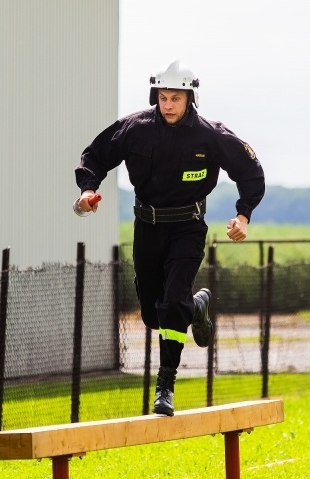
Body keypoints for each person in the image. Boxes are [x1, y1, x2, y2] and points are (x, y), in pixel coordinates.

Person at [74, 59, 265, 415]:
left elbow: (250, 172)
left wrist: (243, 215)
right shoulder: (135, 128)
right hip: (146, 228)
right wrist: (88, 189)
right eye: (162, 98)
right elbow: (96, 154)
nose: (168, 105)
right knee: (154, 314)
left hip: (188, 229)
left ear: (190, 97)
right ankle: (197, 307)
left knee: (170, 303)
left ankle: (165, 386)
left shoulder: (211, 135)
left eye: (175, 98)